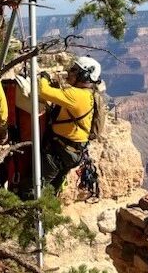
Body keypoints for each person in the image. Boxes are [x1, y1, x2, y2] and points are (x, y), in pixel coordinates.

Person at [38, 56, 102, 193]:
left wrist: (44, 77)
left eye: (74, 70)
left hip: (60, 150)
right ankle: (46, 212)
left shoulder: (76, 95)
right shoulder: (88, 94)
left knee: (36, 187)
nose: (70, 72)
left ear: (84, 75)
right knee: (52, 189)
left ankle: (29, 212)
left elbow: (42, 90)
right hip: (72, 151)